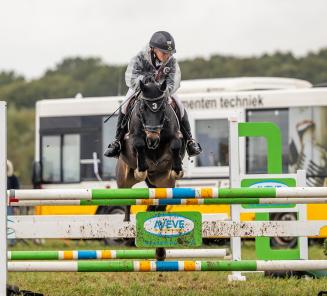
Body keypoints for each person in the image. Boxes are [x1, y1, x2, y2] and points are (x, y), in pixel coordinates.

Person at [104, 31, 202, 158]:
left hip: (162, 91)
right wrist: (143, 82)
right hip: (141, 88)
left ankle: (190, 141)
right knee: (125, 105)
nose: (167, 56)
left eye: (169, 53)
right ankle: (117, 142)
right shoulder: (140, 57)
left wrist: (165, 90)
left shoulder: (171, 61)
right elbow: (130, 77)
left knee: (180, 106)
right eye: (164, 53)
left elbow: (175, 80)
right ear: (153, 49)